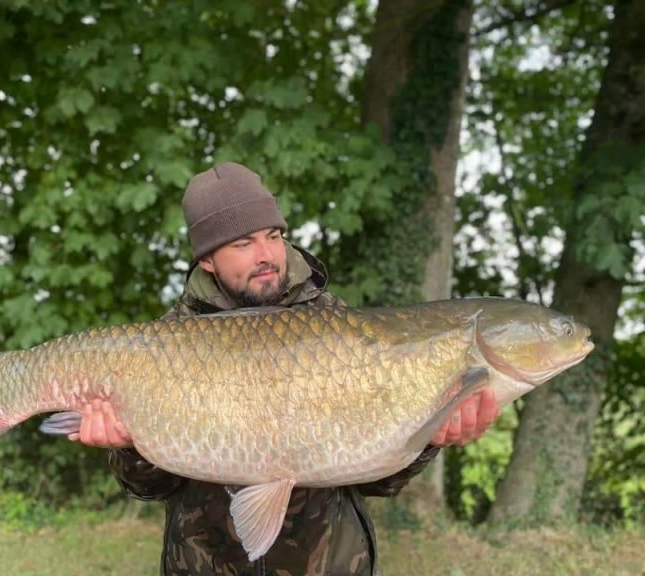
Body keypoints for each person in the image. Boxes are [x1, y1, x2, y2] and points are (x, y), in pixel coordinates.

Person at [70, 162, 499, 575]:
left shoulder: (338, 328)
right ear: (206, 261)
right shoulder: (168, 341)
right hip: (203, 563)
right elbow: (149, 488)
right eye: (243, 244)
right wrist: (126, 446)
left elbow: (377, 481)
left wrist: (431, 438)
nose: (266, 255)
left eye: (273, 235)